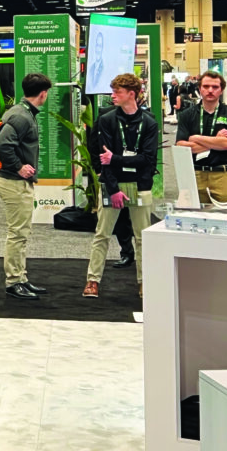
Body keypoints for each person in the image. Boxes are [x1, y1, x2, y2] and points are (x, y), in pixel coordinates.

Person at [83, 73, 158, 299]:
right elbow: (102, 156)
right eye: (113, 91)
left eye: (118, 92)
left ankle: (144, 283)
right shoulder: (107, 119)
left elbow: (148, 159)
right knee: (102, 235)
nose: (113, 96)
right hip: (112, 184)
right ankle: (92, 280)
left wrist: (116, 159)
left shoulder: (150, 122)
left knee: (142, 237)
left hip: (140, 185)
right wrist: (113, 189)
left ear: (131, 94)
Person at [0, 72, 53, 299]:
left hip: (16, 182)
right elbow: (2, 144)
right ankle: (13, 281)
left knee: (22, 232)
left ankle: (21, 278)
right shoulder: (22, 116)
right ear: (43, 94)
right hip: (13, 182)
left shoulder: (23, 112)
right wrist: (19, 167)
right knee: (17, 233)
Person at [175, 70, 227, 204]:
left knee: (224, 217)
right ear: (199, 89)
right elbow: (181, 145)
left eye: (215, 87)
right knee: (194, 217)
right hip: (195, 174)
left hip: (223, 174)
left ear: (221, 90)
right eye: (206, 86)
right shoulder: (187, 114)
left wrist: (195, 138)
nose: (210, 90)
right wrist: (217, 140)